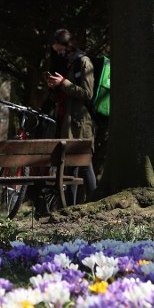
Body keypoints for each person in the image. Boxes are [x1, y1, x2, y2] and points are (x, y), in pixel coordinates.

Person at [46, 29, 97, 204]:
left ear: (67, 45)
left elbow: (87, 93)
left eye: (59, 49)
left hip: (80, 123)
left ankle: (94, 203)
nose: (58, 53)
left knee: (84, 165)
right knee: (70, 167)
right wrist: (55, 87)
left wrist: (64, 83)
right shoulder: (66, 63)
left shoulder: (83, 62)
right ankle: (70, 207)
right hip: (66, 121)